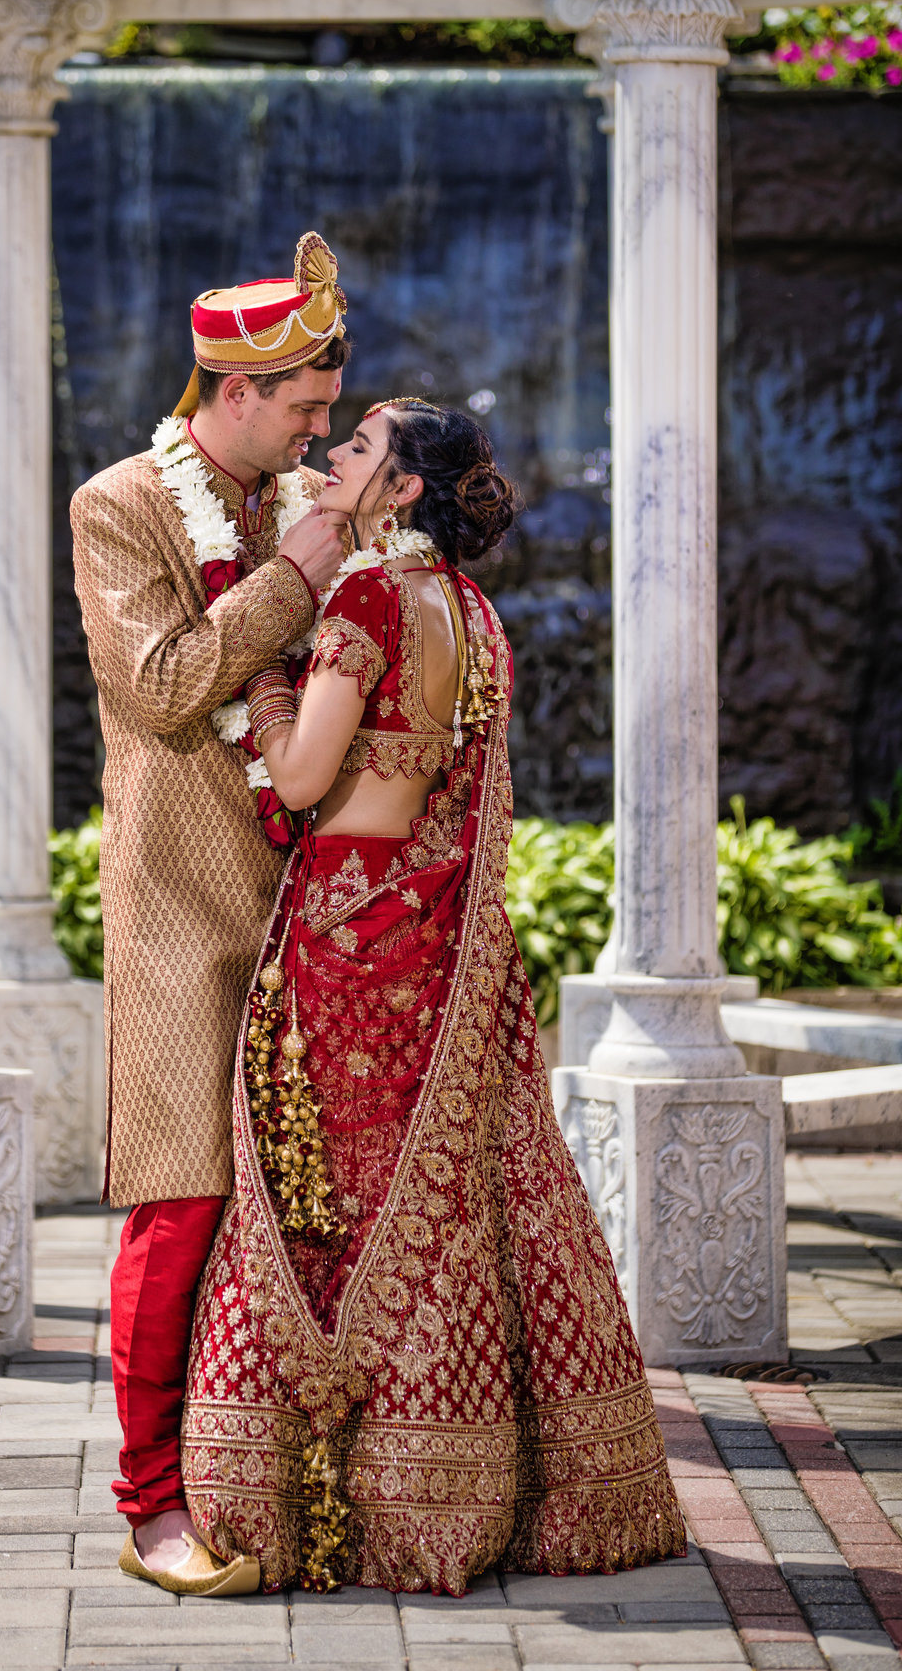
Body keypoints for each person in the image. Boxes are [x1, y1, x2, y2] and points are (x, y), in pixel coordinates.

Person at [180, 398, 687, 1594]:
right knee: (450, 1206)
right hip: (440, 946)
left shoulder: (363, 602)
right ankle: (469, 1488)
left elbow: (303, 780)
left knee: (332, 1206)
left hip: (347, 942)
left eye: (355, 449)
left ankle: (345, 1506)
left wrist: (254, 686)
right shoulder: (473, 614)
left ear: (402, 489)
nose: (331, 459)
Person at [70, 233, 354, 1596]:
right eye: (304, 404)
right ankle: (150, 1511)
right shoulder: (120, 504)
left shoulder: (310, 496)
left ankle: (281, 1478)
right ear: (233, 390)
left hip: (314, 893)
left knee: (301, 1198)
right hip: (183, 900)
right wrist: (297, 575)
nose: (321, 427)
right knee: (178, 1201)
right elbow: (172, 686)